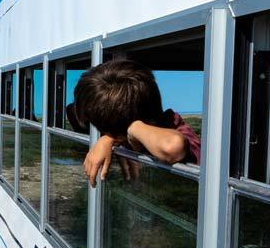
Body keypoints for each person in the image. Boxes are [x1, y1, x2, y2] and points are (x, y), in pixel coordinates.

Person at [71, 59, 201, 186]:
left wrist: (134, 127)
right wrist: (108, 139)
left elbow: (172, 145)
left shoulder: (174, 127)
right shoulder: (124, 133)